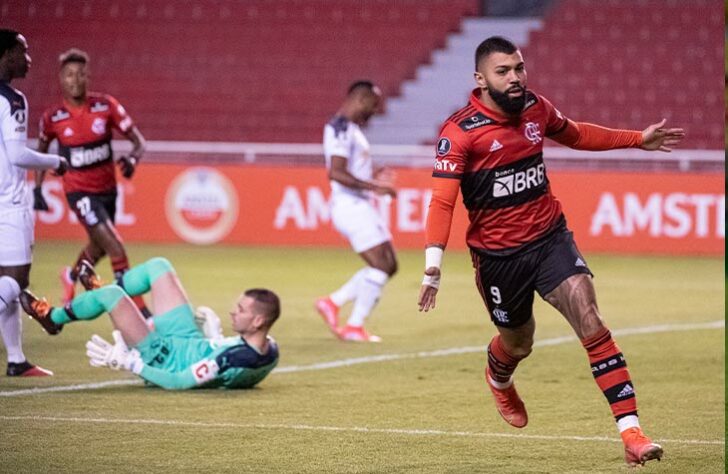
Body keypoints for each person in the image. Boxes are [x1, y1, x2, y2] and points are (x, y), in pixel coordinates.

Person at [417, 37, 684, 466]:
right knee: (519, 342)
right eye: (504, 71)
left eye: (519, 68)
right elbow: (442, 202)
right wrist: (433, 268)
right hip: (499, 259)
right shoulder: (460, 133)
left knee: (591, 320)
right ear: (480, 79)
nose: (516, 77)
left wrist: (638, 138)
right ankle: (498, 378)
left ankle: (632, 434)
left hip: (549, 238)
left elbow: (576, 133)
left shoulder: (536, 109)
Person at [20, 257, 280, 390]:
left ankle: (52, 318)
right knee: (159, 267)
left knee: (110, 298)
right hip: (191, 340)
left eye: (241, 310)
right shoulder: (271, 350)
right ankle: (101, 290)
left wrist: (133, 364)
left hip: (162, 356)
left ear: (258, 320)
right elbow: (239, 370)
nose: (233, 312)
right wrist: (216, 340)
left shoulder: (233, 358)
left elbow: (178, 382)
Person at [34, 48, 149, 316]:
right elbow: (41, 153)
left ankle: (71, 276)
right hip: (79, 192)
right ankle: (141, 312)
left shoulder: (106, 106)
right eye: (69, 75)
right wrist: (38, 188)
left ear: (88, 77)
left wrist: (132, 159)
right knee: (115, 246)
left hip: (107, 190)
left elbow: (139, 142)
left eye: (80, 74)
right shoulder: (53, 118)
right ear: (61, 79)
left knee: (98, 247)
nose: (75, 80)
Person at [0, 29, 69, 377]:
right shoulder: (11, 99)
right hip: (7, 204)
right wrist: (56, 162)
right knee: (16, 278)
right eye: (21, 51)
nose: (27, 59)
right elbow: (16, 155)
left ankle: (16, 359)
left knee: (7, 283)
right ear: (5, 55)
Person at [316, 80, 398, 342]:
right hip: (349, 206)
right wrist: (375, 186)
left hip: (359, 204)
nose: (374, 112)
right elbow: (337, 173)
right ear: (360, 100)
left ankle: (334, 302)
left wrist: (373, 174)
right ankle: (352, 325)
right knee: (381, 265)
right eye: (373, 106)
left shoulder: (351, 130)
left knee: (389, 265)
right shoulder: (339, 128)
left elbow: (352, 169)